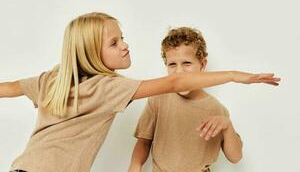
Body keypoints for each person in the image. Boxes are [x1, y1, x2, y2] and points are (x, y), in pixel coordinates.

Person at [0, 13, 280, 172]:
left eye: (122, 37)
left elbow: (11, 87)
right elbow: (174, 84)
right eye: (114, 42)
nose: (124, 45)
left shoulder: (54, 78)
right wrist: (233, 75)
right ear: (91, 52)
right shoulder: (108, 87)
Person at [128, 27, 277, 172]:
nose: (179, 71)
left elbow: (236, 157)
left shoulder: (216, 109)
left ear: (203, 64)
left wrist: (227, 126)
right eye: (172, 64)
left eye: (187, 63)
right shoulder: (158, 98)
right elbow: (144, 142)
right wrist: (135, 166)